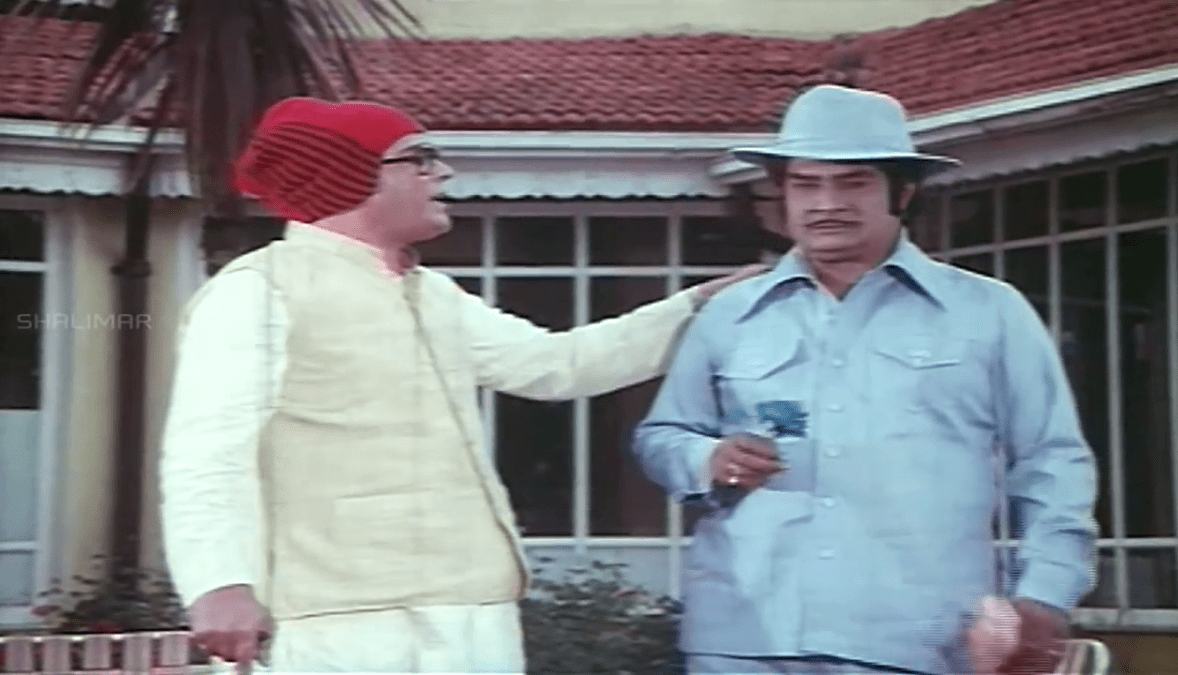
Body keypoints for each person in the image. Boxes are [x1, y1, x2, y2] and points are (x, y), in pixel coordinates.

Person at [159, 97, 763, 674]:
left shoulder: (434, 294)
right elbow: (206, 455)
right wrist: (219, 584)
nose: (442, 173)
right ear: (352, 177)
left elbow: (557, 363)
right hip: (338, 621)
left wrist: (699, 306)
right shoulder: (257, 290)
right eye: (419, 159)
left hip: (473, 610)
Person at [632, 84, 1098, 675]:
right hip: (742, 638)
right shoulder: (729, 314)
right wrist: (707, 458)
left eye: (852, 182)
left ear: (902, 192)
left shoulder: (990, 312)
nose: (826, 203)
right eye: (806, 184)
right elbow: (661, 436)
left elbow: (1053, 463)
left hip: (917, 640)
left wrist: (1044, 597)